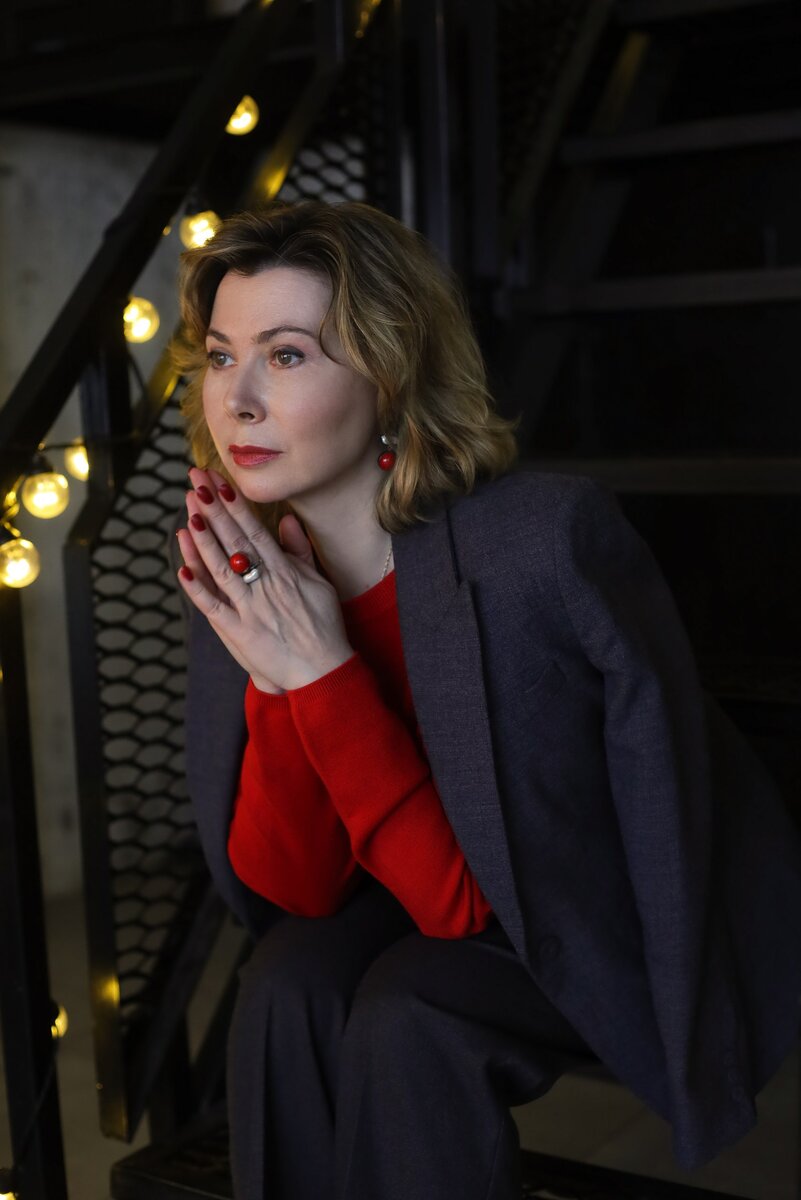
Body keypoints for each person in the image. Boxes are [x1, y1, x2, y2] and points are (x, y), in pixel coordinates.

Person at [172, 199, 801, 1200]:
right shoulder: (252, 564)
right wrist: (278, 676)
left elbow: (470, 906)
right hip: (421, 880)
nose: (236, 399)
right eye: (219, 355)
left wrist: (323, 676)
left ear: (390, 375)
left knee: (406, 1011)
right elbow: (296, 890)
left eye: (286, 355)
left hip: (573, 901)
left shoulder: (538, 548)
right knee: (286, 980)